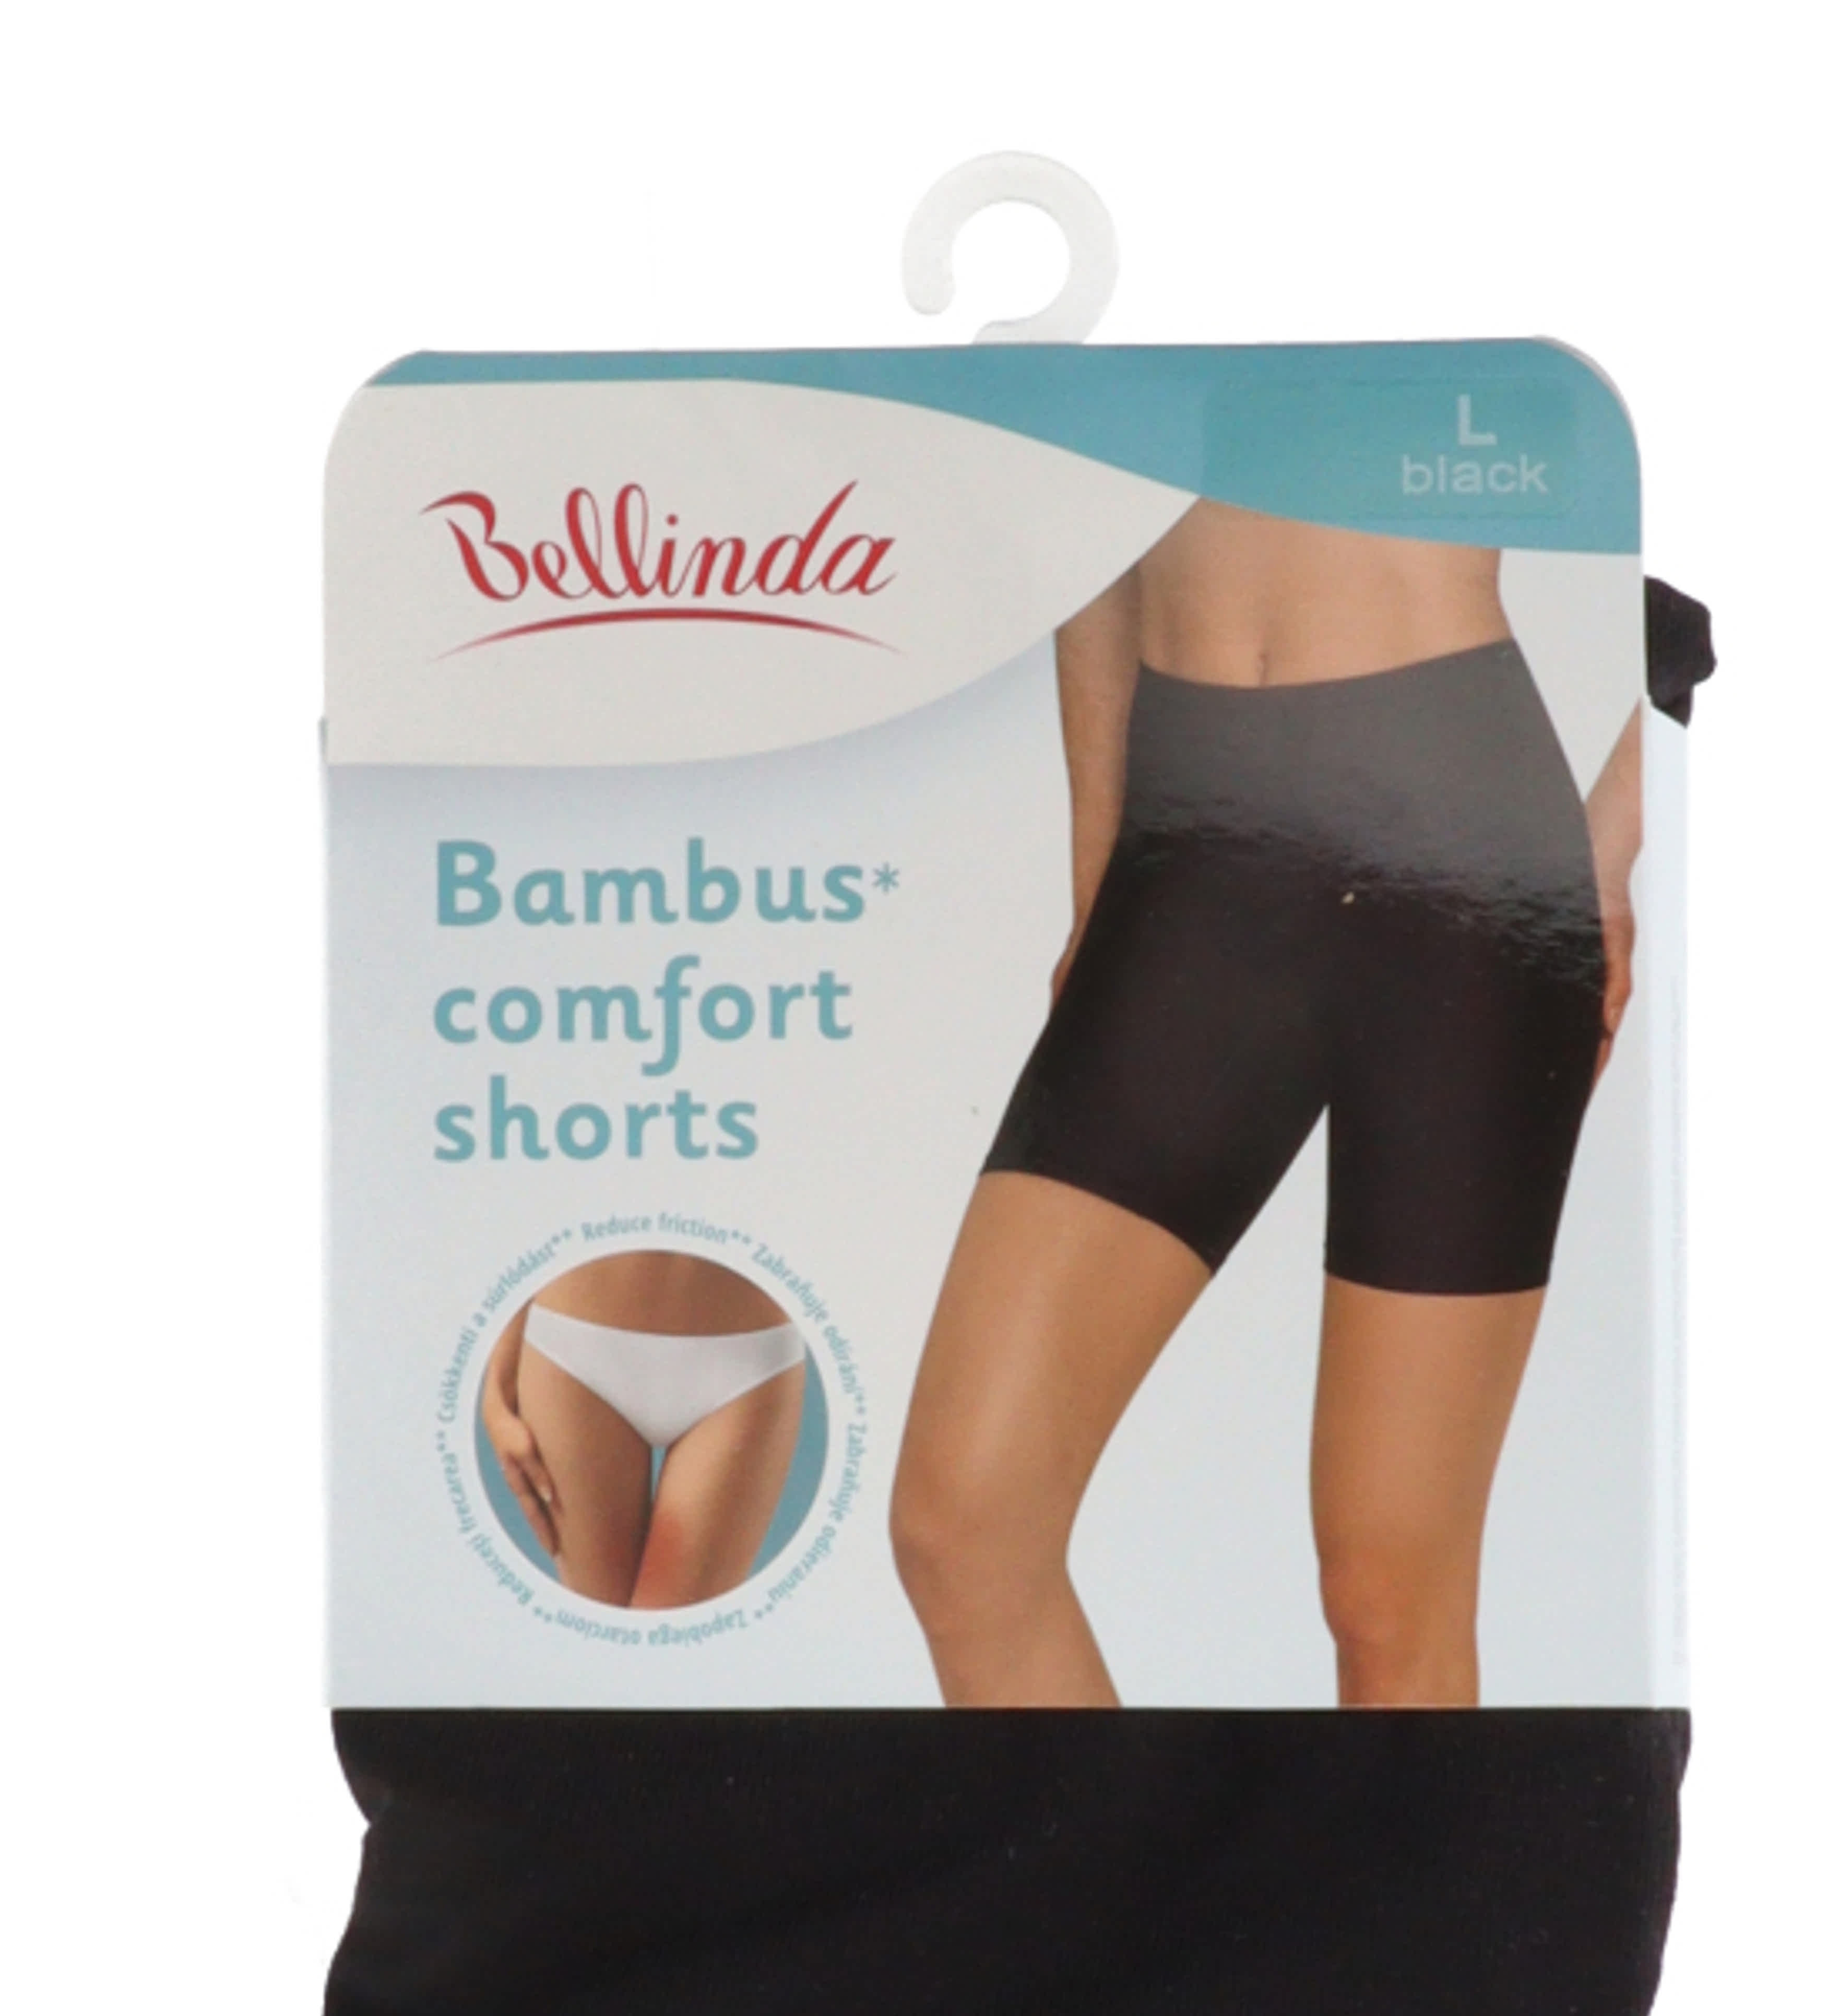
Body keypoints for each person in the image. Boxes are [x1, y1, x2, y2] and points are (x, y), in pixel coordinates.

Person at [891, 504, 1644, 1708]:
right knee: (964, 1526)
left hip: (1464, 847)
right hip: (1190, 842)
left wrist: (1604, 854)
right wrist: (1099, 880)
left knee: (1389, 1595)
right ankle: (1112, 1855)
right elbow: (1092, 515)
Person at [482, 1250, 806, 1610]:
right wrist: (498, 1384)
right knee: (597, 1626)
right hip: (576, 1346)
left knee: (673, 1630)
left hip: (748, 1361)